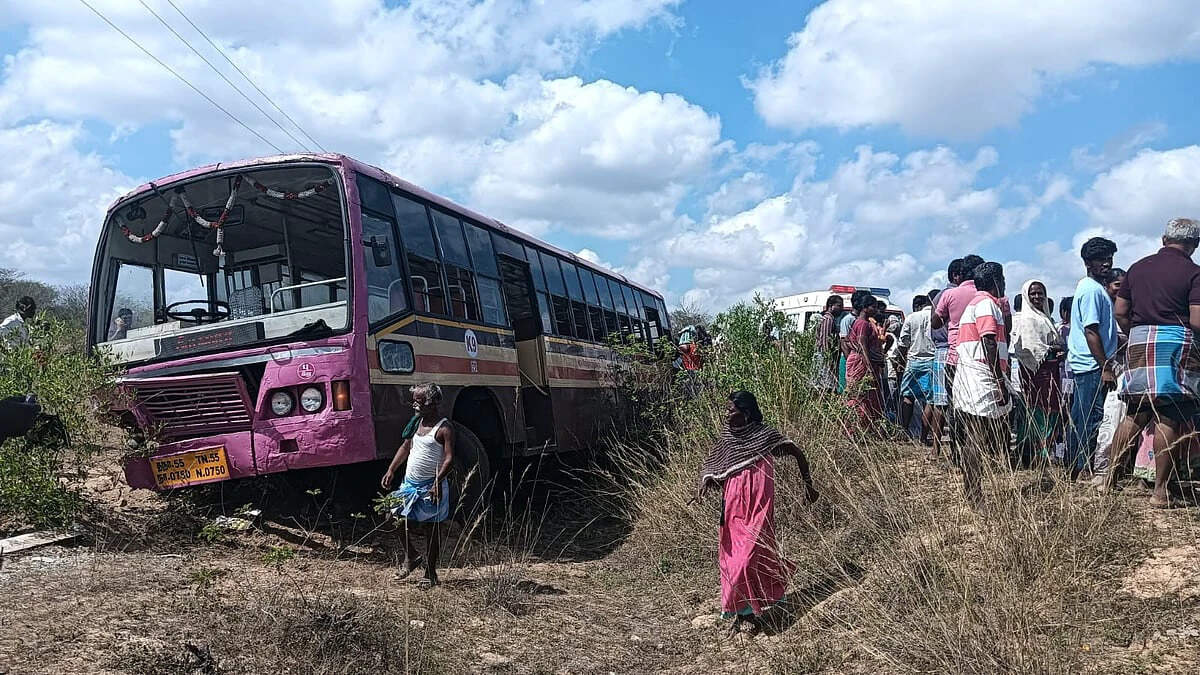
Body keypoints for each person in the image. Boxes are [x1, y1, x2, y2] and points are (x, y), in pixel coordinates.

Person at [696, 391, 818, 629]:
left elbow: (796, 453)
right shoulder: (727, 439)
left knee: (750, 555)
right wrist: (705, 482)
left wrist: (809, 486)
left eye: (731, 410)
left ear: (747, 413)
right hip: (732, 506)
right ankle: (744, 612)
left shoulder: (765, 436)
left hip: (760, 505)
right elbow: (714, 467)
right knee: (733, 559)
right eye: (727, 409)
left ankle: (751, 606)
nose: (726, 414)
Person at [1102, 219, 1200, 507]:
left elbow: (1121, 310)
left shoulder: (1137, 268)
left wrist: (1139, 329)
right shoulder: (1194, 273)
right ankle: (1160, 491)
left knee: (1136, 410)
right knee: (1169, 413)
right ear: (1194, 244)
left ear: (1163, 239)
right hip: (1176, 342)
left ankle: (1109, 481)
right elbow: (1196, 319)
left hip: (1139, 340)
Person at [381, 383, 455, 588]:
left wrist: (437, 483)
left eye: (419, 401)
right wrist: (391, 469)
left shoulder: (445, 429)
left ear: (432, 404)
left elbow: (449, 459)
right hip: (409, 485)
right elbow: (405, 447)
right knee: (391, 516)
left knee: (431, 530)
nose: (414, 404)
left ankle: (430, 573)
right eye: (414, 400)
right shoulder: (416, 423)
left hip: (430, 487)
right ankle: (412, 556)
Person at [952, 262, 1011, 505]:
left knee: (974, 437)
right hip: (982, 377)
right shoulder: (987, 304)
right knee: (977, 437)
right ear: (996, 280)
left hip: (970, 376)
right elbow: (988, 342)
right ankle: (974, 496)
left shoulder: (975, 304)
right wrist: (998, 379)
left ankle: (972, 492)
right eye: (1003, 278)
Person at [1065, 237, 1120, 481]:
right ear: (1088, 263)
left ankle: (1075, 468)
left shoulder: (1096, 288)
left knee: (1083, 417)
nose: (1106, 263)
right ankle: (1081, 468)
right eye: (1101, 259)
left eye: (1109, 258)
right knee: (1090, 419)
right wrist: (1105, 366)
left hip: (1092, 364)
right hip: (1092, 365)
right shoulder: (1090, 290)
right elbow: (1091, 331)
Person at [1010, 279, 1065, 467]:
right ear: (1026, 296)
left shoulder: (1045, 317)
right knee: (1038, 411)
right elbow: (1028, 349)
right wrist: (1052, 349)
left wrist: (1058, 349)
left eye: (1040, 293)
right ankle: (1035, 454)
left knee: (1051, 410)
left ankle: (1042, 452)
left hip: (1050, 370)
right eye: (1033, 293)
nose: (1037, 297)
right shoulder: (1028, 319)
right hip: (1035, 373)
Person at [1093, 268, 1129, 480]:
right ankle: (1102, 468)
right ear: (1107, 286)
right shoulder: (1105, 310)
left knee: (1123, 416)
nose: (1120, 289)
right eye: (1117, 285)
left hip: (1127, 368)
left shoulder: (1128, 308)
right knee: (1109, 417)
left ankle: (1118, 467)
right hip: (1110, 368)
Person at [897, 295, 936, 444]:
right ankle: (924, 437)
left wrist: (901, 361)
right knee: (929, 401)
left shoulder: (912, 317)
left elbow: (903, 343)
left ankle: (904, 432)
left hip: (913, 361)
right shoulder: (936, 317)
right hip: (931, 361)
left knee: (907, 396)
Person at [845, 292, 885, 428]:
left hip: (861, 360)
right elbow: (862, 344)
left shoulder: (862, 323)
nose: (875, 310)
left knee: (867, 395)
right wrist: (868, 365)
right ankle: (854, 428)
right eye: (873, 307)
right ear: (865, 308)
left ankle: (865, 428)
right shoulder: (863, 324)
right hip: (861, 362)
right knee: (860, 394)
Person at [838, 290, 870, 392]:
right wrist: (851, 362)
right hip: (850, 359)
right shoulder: (848, 319)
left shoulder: (864, 320)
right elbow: (844, 342)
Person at [814, 296, 845, 392]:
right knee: (825, 386)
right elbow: (825, 340)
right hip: (825, 358)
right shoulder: (828, 319)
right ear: (831, 306)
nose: (841, 309)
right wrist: (828, 358)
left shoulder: (829, 319)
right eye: (839, 306)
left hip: (827, 357)